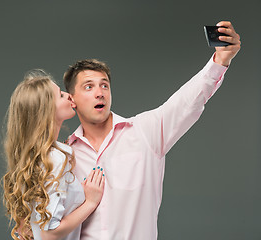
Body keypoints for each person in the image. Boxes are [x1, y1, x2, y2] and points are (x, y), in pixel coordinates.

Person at [62, 21, 241, 240]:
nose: (100, 93)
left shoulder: (145, 131)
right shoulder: (64, 156)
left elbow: (186, 102)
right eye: (89, 87)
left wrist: (220, 62)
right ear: (72, 99)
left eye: (105, 85)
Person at [1, 69, 105, 240]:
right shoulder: (54, 159)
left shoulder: (37, 157)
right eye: (61, 95)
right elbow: (49, 234)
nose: (69, 95)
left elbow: (26, 229)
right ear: (47, 110)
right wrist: (90, 203)